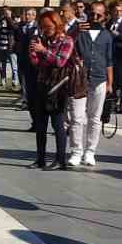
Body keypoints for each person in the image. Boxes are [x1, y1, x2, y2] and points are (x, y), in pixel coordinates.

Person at [29, 10, 81, 170]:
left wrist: (43, 51)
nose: (46, 29)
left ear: (57, 24)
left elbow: (60, 62)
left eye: (49, 26)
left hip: (59, 87)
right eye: (43, 26)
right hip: (42, 85)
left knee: (58, 124)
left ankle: (60, 160)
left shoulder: (67, 40)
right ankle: (40, 158)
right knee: (40, 125)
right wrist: (33, 53)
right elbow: (37, 64)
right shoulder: (42, 39)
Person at [68, 2, 114, 168]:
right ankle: (76, 151)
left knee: (95, 118)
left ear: (104, 16)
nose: (95, 17)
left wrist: (110, 83)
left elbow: (109, 60)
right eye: (92, 14)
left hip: (99, 79)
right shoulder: (80, 31)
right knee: (77, 118)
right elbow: (66, 42)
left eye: (99, 15)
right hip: (80, 79)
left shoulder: (107, 36)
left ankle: (90, 151)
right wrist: (75, 32)